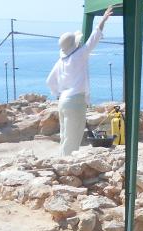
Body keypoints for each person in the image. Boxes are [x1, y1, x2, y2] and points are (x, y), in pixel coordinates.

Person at [46, 6, 113, 156]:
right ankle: (67, 166)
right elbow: (93, 39)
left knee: (65, 135)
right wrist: (103, 20)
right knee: (73, 137)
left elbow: (49, 81)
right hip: (76, 101)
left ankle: (62, 161)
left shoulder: (61, 61)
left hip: (63, 101)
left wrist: (58, 94)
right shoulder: (79, 55)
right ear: (75, 44)